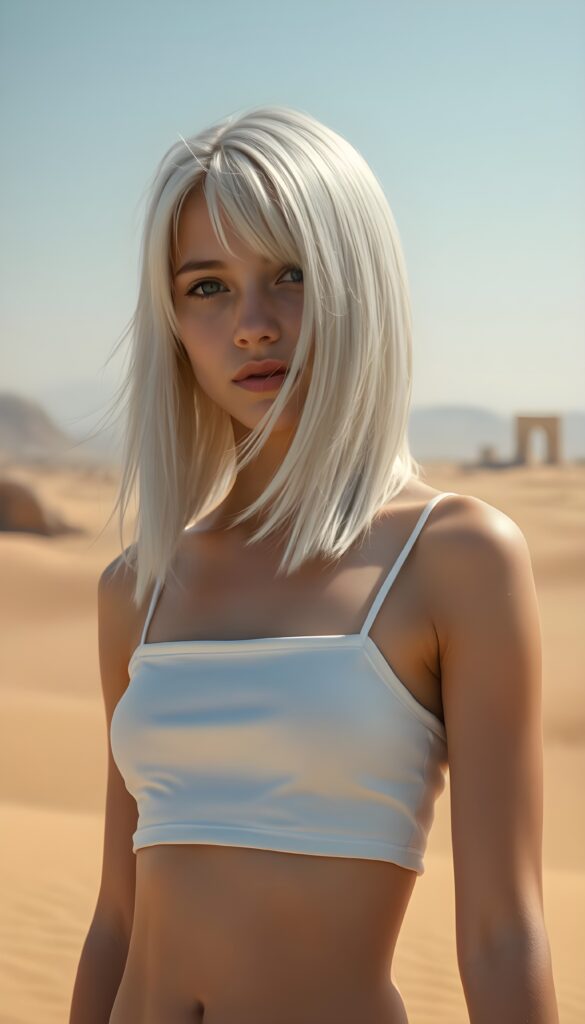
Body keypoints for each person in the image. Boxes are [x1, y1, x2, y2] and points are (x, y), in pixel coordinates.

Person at [69, 105, 558, 1024]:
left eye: (290, 274)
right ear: (171, 319)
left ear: (357, 284)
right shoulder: (134, 589)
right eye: (206, 286)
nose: (252, 324)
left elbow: (503, 932)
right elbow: (112, 922)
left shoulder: (454, 556)